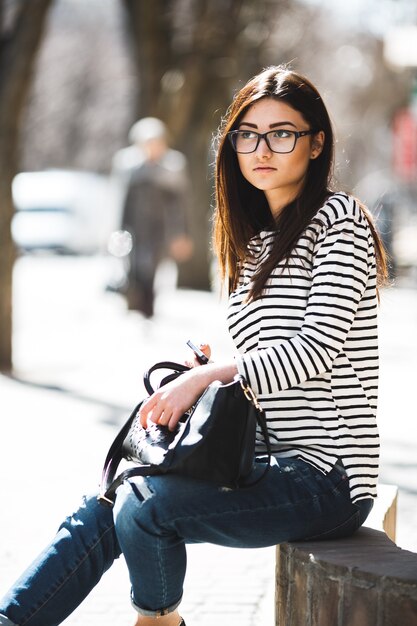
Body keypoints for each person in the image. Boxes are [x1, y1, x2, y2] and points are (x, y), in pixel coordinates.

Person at [0, 65, 388, 626]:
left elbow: (315, 349)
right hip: (259, 459)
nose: (262, 148)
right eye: (248, 134)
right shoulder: (255, 242)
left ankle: (158, 621)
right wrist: (205, 365)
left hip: (326, 477)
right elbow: (259, 357)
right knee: (111, 500)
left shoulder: (339, 220)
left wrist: (206, 378)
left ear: (316, 141)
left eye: (283, 133)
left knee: (147, 509)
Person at [111, 117, 193, 317]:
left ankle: (148, 311)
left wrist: (182, 234)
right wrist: (117, 231)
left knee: (153, 270)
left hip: (160, 230)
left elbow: (181, 205)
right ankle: (134, 307)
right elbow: (120, 201)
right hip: (133, 229)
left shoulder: (172, 168)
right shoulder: (129, 167)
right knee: (133, 270)